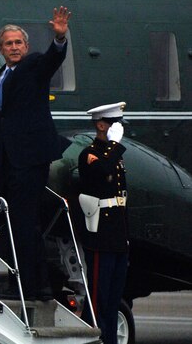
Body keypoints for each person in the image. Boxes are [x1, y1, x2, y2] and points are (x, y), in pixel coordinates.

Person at [0, 6, 71, 300]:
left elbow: (52, 61)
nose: (13, 47)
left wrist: (60, 39)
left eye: (18, 42)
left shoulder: (33, 65)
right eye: (8, 43)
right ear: (1, 48)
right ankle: (28, 280)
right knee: (11, 224)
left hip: (30, 158)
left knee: (25, 221)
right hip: (8, 161)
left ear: (26, 46)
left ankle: (37, 286)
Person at [78, 102, 129, 344]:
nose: (119, 130)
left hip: (117, 233)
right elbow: (102, 171)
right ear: (101, 125)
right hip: (100, 234)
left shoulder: (112, 155)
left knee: (113, 298)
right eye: (114, 124)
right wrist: (115, 145)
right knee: (98, 297)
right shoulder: (90, 154)